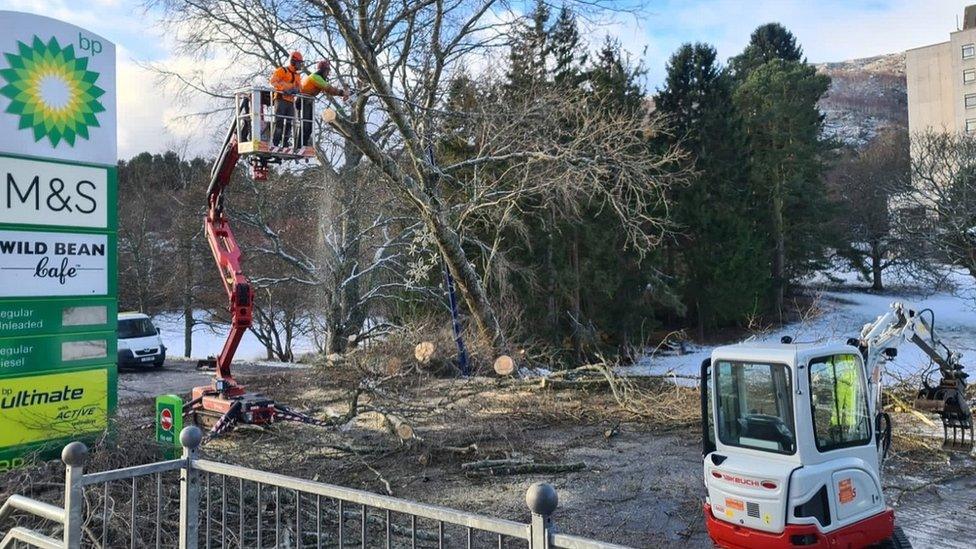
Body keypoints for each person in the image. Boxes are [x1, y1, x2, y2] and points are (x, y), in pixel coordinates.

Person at [298, 60, 349, 146]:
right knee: (305, 125)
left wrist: (341, 93)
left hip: (308, 101)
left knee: (309, 126)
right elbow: (328, 88)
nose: (328, 74)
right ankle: (300, 145)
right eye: (327, 71)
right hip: (303, 101)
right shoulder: (315, 77)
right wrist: (342, 93)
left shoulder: (318, 78)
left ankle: (303, 144)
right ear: (322, 70)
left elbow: (329, 90)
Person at [269, 51, 304, 147]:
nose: (300, 65)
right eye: (299, 63)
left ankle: (285, 143)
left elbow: (300, 87)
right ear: (293, 61)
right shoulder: (282, 70)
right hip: (280, 99)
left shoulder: (297, 75)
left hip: (290, 101)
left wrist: (296, 90)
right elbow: (273, 82)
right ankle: (275, 143)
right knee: (279, 122)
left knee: (289, 124)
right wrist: (283, 89)